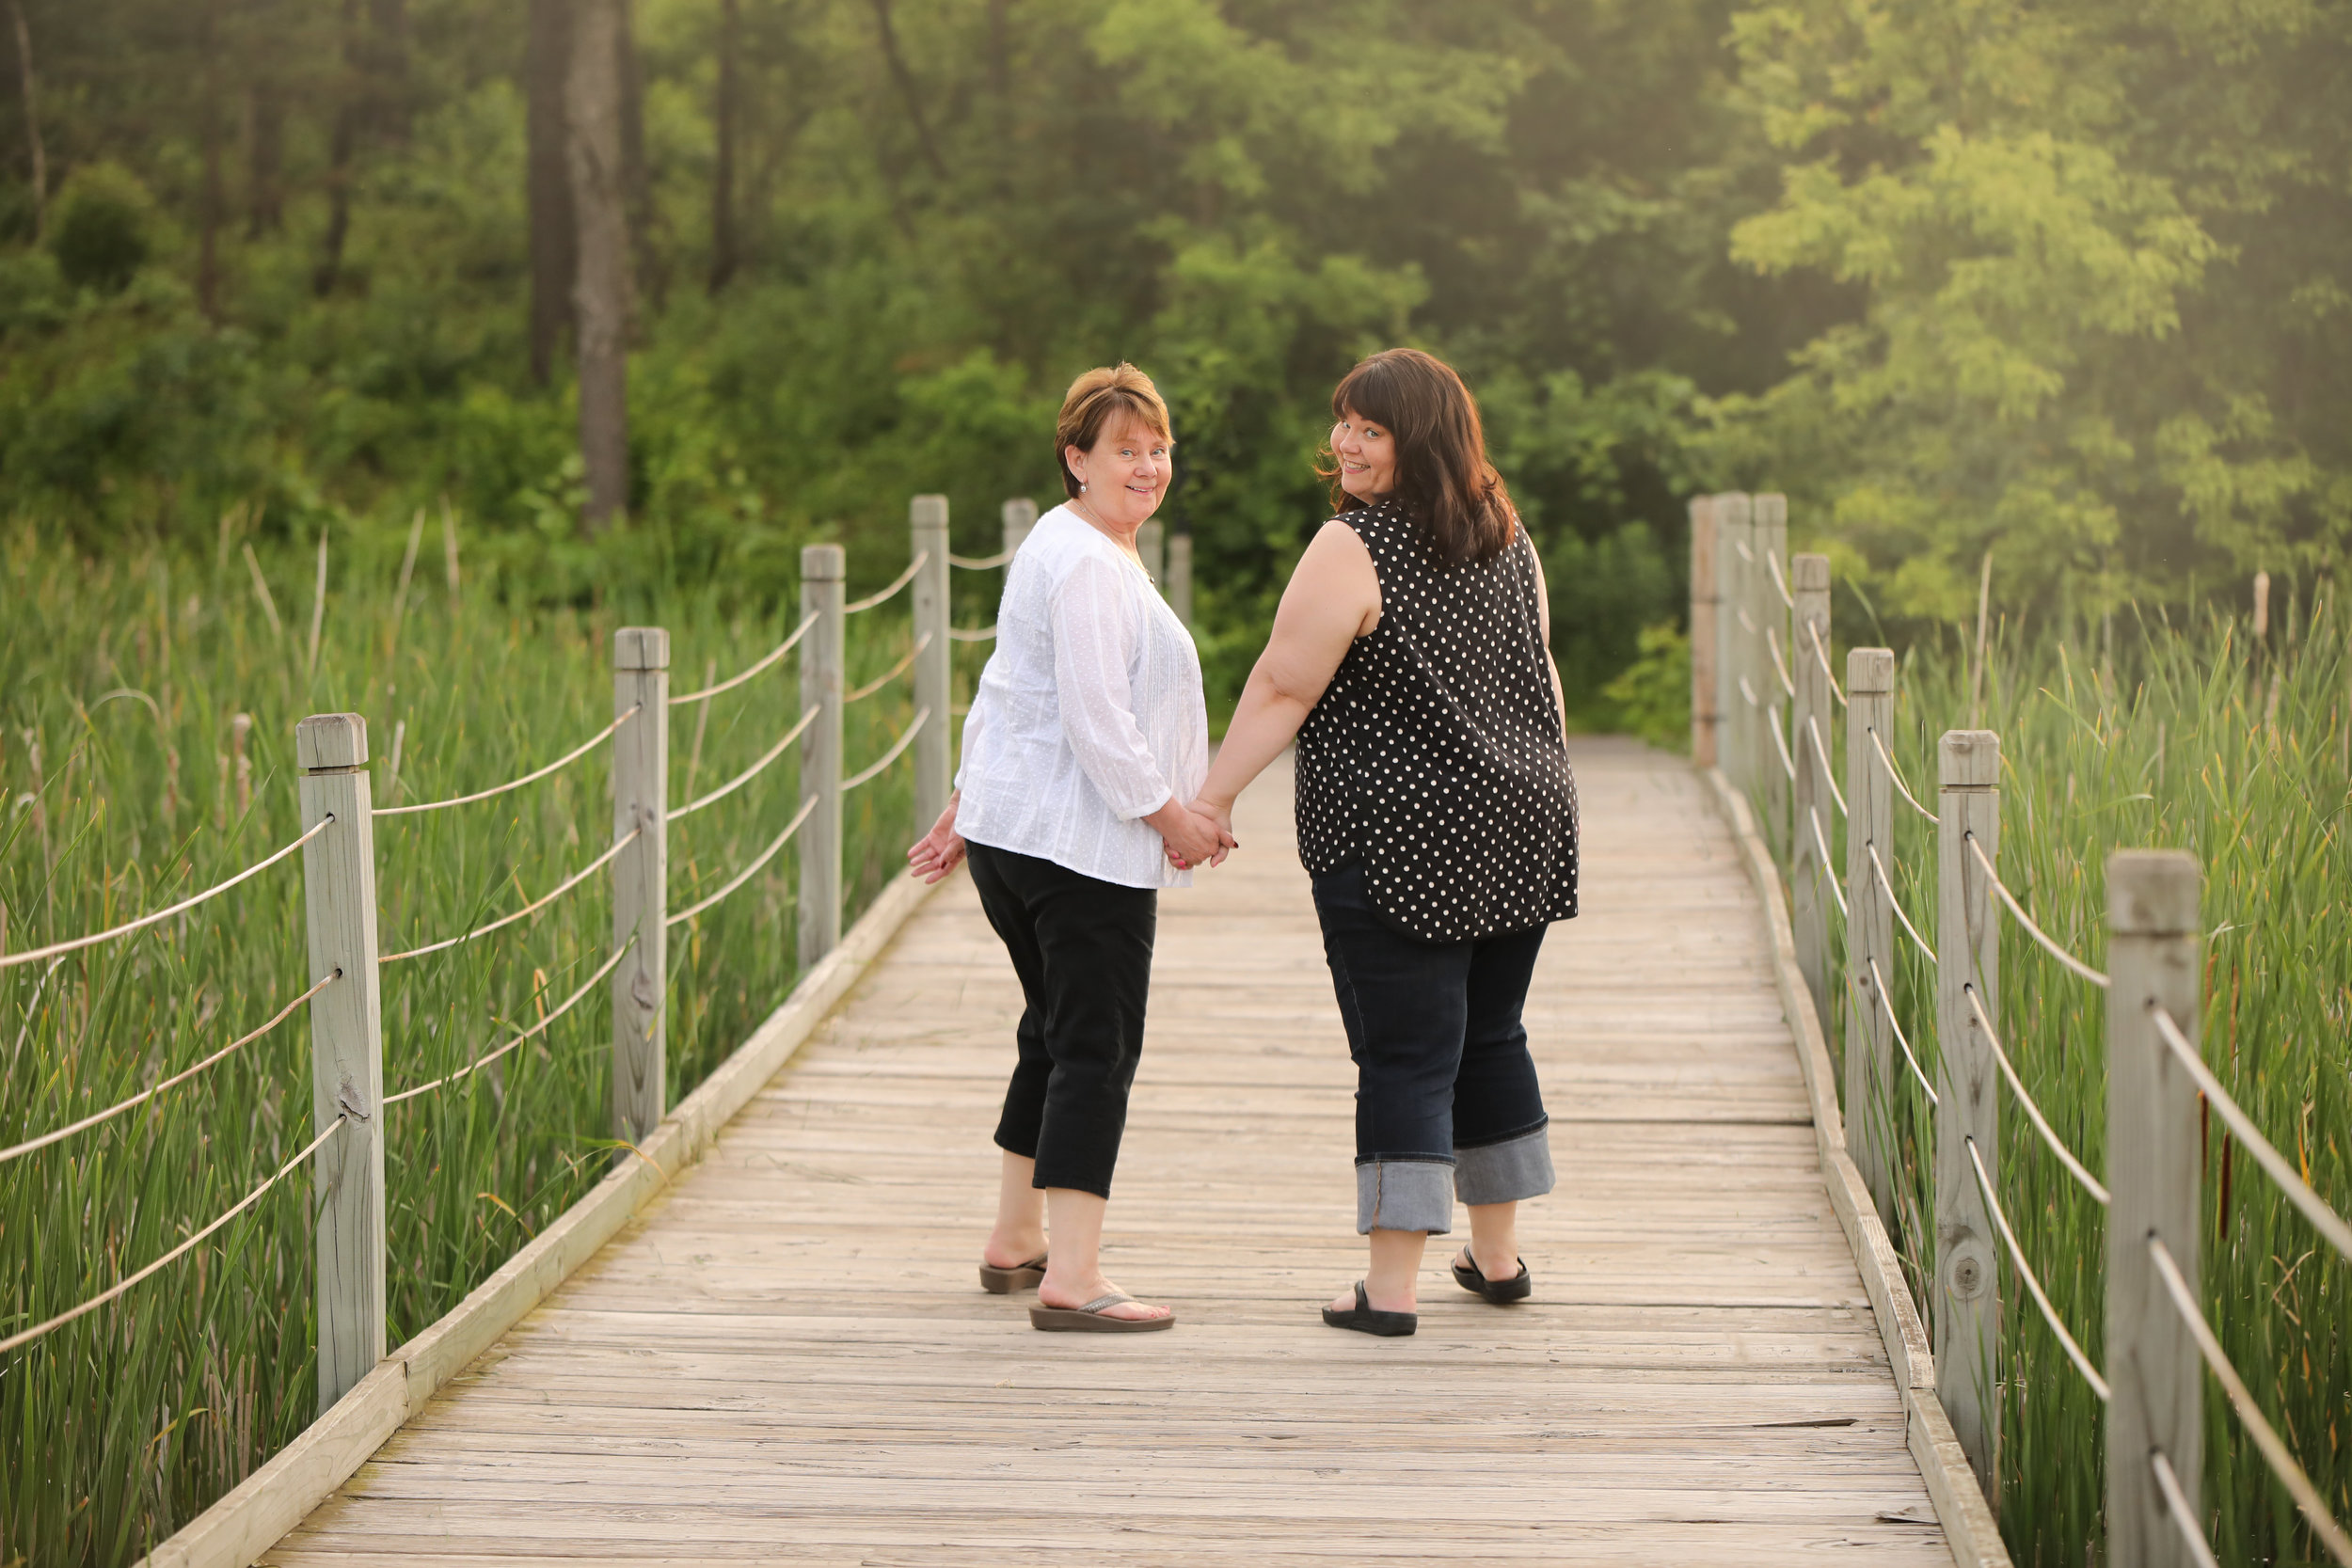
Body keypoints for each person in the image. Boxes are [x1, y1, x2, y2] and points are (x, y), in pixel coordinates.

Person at [1185, 347, 1578, 1337]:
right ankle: (1495, 1258)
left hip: (1400, 833)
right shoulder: (1508, 533)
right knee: (1491, 1032)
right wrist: (1545, 782)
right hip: (1525, 817)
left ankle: (1390, 1288)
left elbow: (1282, 684)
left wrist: (1213, 798)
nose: (1345, 445)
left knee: (1407, 1053)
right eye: (1343, 424)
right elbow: (1543, 674)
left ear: (1419, 437)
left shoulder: (1351, 545)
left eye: (1369, 428)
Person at [906, 362, 1232, 1334]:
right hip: (1078, 847)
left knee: (1051, 1030)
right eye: (1123, 450)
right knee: (1096, 1046)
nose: (1146, 465)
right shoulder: (1088, 559)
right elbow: (1094, 717)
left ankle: (1017, 1237)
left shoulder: (1065, 540)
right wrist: (1170, 814)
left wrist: (970, 800)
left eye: (1157, 448)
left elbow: (1012, 688)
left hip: (1021, 835)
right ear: (1075, 457)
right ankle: (1075, 1275)